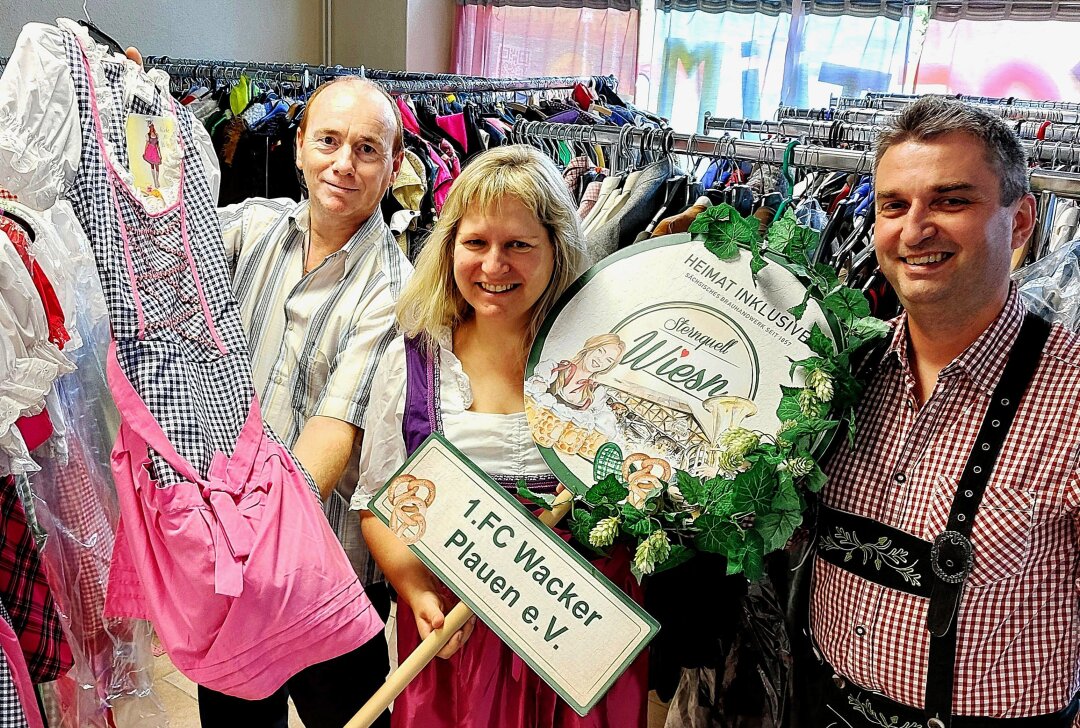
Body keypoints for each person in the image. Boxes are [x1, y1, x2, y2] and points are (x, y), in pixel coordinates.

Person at [128, 44, 408, 727]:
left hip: (325, 580)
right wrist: (136, 119)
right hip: (234, 569)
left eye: (367, 150)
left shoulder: (396, 290)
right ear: (299, 149)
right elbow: (156, 238)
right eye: (329, 141)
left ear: (396, 166)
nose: (344, 164)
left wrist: (239, 538)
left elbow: (333, 433)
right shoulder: (251, 227)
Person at [799, 96, 1080, 726]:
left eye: (952, 201)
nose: (915, 228)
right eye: (893, 206)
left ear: (1023, 221)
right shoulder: (839, 374)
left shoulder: (1072, 395)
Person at [352, 145, 650, 727]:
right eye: (477, 243)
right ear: (449, 247)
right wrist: (416, 593)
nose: (494, 266)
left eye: (518, 245)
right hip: (454, 635)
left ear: (556, 248)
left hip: (578, 638)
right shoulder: (415, 359)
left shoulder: (608, 359)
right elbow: (378, 505)